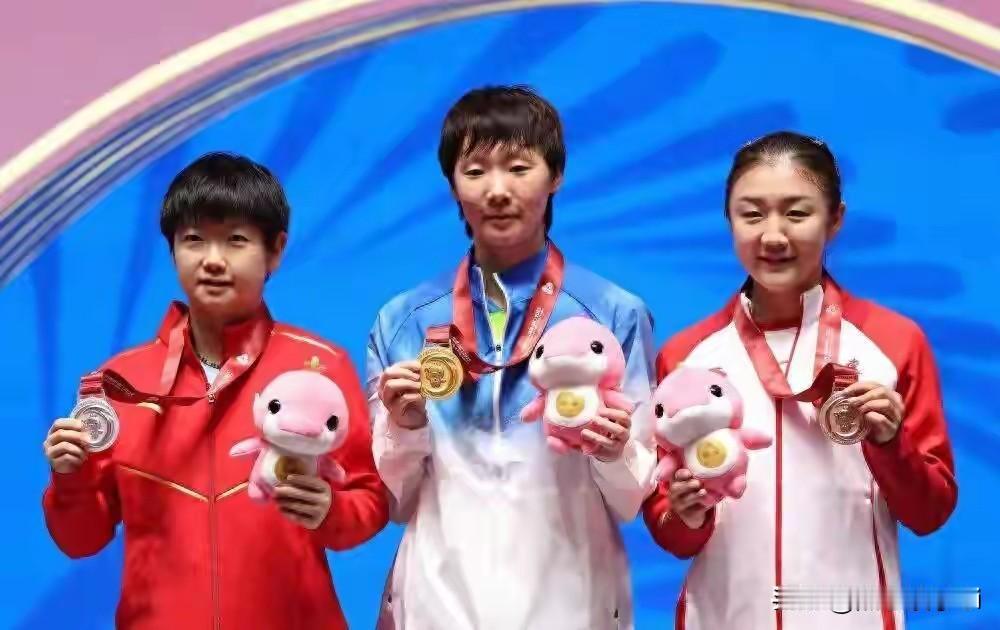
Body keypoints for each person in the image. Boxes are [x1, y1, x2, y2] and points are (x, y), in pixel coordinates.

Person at [42, 152, 389, 629]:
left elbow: (370, 500)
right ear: (172, 251)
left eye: (235, 241)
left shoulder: (320, 366)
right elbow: (79, 540)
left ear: (275, 250)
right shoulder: (119, 384)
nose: (212, 260)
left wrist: (331, 510)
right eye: (194, 240)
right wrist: (70, 477)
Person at [642, 131, 958, 629]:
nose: (773, 235)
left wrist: (890, 444)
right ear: (729, 220)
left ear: (835, 219)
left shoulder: (895, 342)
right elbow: (671, 534)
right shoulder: (685, 356)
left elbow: (930, 512)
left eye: (796, 213)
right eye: (752, 214)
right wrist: (686, 512)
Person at [368, 85, 657, 629]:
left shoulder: (614, 314)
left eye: (519, 168)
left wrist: (614, 450)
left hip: (571, 605)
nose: (497, 191)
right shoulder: (402, 320)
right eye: (475, 171)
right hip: (438, 605)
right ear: (452, 184)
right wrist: (405, 427)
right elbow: (394, 501)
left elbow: (631, 498)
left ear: (556, 175)